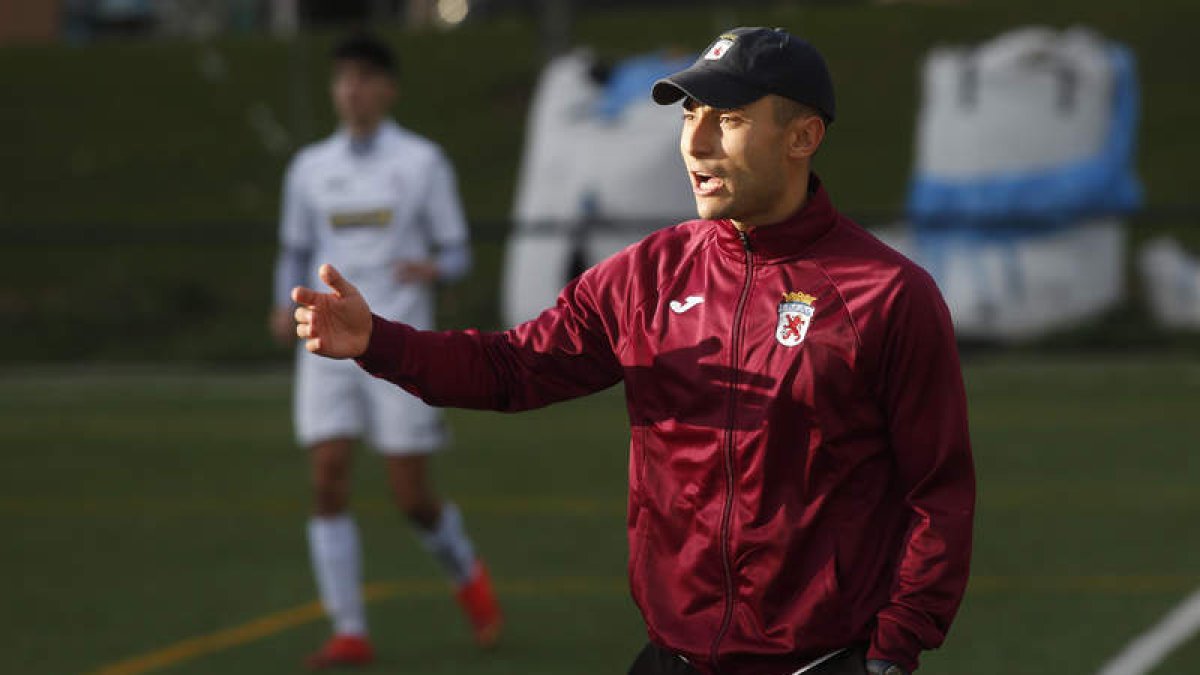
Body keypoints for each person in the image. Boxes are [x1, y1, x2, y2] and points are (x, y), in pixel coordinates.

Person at [292, 27, 974, 675]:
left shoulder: (887, 295)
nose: (697, 142)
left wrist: (891, 651)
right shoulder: (647, 275)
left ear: (803, 136)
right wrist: (378, 341)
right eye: (689, 116)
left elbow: (937, 492)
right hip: (670, 655)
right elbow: (512, 367)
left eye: (728, 119)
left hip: (819, 660)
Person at [269, 33, 501, 670]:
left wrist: (431, 267)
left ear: (388, 89)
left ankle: (466, 572)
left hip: (399, 344)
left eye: (366, 78)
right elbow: (293, 248)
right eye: (343, 78)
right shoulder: (309, 168)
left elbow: (457, 251)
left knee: (411, 496)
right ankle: (349, 630)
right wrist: (276, 301)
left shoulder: (423, 161)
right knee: (327, 477)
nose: (353, 89)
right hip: (325, 346)